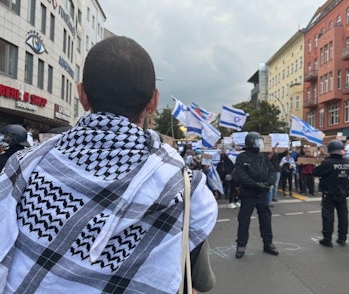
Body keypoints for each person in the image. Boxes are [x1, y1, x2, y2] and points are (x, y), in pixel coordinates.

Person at [0, 36, 218, 293]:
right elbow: (202, 282)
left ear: (82, 95)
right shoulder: (183, 187)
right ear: (154, 101)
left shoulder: (24, 167)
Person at [233, 131, 278, 258]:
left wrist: (268, 183)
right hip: (249, 194)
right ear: (251, 143)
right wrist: (256, 184)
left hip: (262, 193)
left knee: (266, 219)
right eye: (257, 142)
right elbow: (242, 176)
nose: (259, 144)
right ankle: (241, 245)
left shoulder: (263, 156)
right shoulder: (242, 157)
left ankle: (268, 243)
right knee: (244, 220)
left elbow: (272, 171)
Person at [313, 140, 349, 247]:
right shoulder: (348, 163)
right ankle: (342, 238)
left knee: (328, 216)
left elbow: (315, 172)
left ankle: (327, 238)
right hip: (343, 192)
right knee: (343, 215)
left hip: (329, 193)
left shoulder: (328, 163)